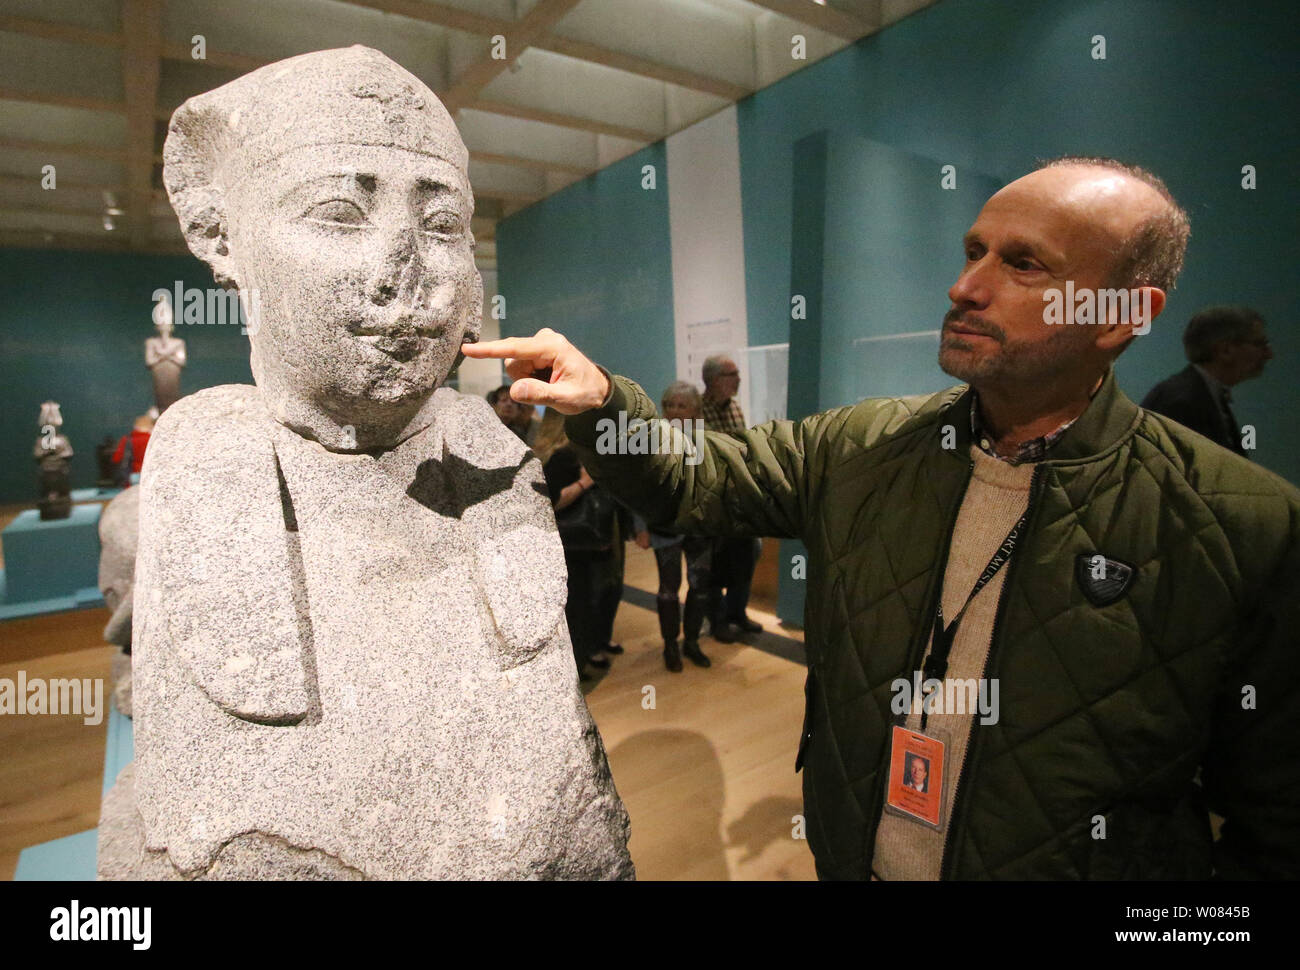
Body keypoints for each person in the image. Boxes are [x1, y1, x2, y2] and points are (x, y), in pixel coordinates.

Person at [464, 155, 1300, 880]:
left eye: (1023, 264)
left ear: (1120, 317)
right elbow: (703, 478)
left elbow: (1275, 829)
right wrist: (605, 401)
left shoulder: (1244, 527)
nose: (965, 285)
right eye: (973, 250)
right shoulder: (865, 445)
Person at [631, 381, 714, 672]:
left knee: (700, 586)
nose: (675, 411)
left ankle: (691, 641)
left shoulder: (706, 437)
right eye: (671, 405)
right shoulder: (650, 437)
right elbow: (637, 486)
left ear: (695, 409)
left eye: (682, 405)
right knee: (669, 588)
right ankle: (670, 644)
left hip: (699, 526)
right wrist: (640, 526)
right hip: (664, 525)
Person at [536, 408, 619, 680]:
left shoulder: (543, 453)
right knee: (579, 607)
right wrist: (585, 482)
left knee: (573, 606)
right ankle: (576, 666)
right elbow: (557, 499)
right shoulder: (564, 455)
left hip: (560, 542)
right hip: (574, 543)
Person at [1141, 305, 1272, 455]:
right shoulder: (1182, 400)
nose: (1269, 354)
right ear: (1225, 350)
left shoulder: (1191, 394)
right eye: (1260, 344)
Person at [699, 353, 763, 643]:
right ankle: (718, 618)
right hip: (715, 500)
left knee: (748, 555)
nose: (738, 379)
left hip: (739, 498)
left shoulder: (734, 408)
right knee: (716, 562)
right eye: (731, 374)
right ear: (713, 381)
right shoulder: (698, 413)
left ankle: (737, 612)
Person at [111, 414, 155, 482]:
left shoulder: (126, 440)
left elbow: (116, 459)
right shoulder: (153, 439)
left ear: (135, 426)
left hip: (132, 475)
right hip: (151, 474)